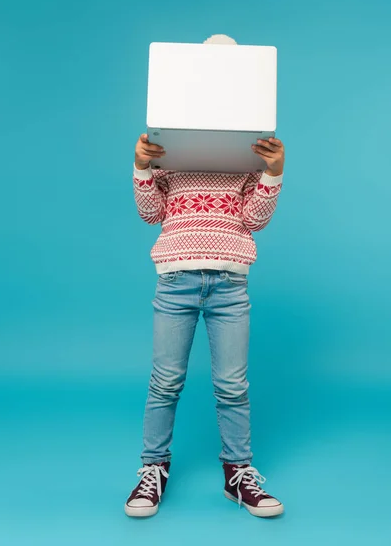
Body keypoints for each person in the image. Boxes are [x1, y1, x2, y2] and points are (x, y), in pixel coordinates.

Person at [125, 35, 285, 519]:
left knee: (233, 385)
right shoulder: (172, 157)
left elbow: (255, 219)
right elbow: (150, 211)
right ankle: (153, 468)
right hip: (175, 281)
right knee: (165, 381)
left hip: (230, 286)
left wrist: (273, 172)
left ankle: (238, 474)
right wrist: (142, 166)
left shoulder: (244, 163)